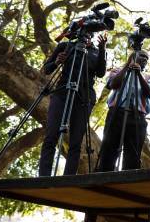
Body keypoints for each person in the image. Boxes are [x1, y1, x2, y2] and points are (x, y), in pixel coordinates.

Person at [39, 33, 107, 176]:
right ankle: (43, 177)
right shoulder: (66, 45)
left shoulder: (96, 51)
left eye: (90, 33)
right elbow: (47, 69)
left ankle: (68, 178)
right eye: (85, 32)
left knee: (76, 141)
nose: (87, 35)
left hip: (85, 95)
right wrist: (57, 62)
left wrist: (102, 48)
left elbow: (100, 73)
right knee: (51, 135)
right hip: (62, 91)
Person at [97, 50, 150, 171]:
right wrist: (127, 67)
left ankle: (128, 181)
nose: (145, 59)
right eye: (142, 56)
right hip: (116, 114)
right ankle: (104, 176)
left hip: (138, 117)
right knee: (109, 149)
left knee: (133, 154)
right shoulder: (118, 71)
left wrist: (139, 73)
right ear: (133, 56)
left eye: (147, 58)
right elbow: (112, 84)